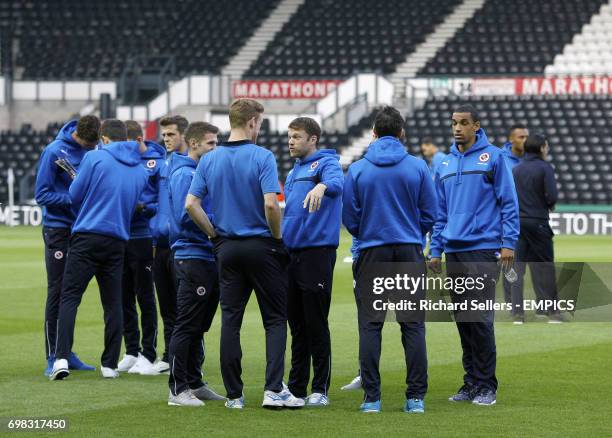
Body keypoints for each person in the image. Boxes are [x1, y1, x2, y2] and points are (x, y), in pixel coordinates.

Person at [186, 98, 303, 409]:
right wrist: (277, 239)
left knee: (231, 320)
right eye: (260, 123)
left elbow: (191, 204)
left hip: (227, 247)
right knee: (275, 319)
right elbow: (270, 204)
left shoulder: (209, 159)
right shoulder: (262, 156)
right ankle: (273, 389)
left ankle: (235, 396)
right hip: (262, 246)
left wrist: (214, 235)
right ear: (252, 122)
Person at [342, 106, 437, 414]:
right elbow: (430, 214)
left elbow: (350, 219)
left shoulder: (357, 169)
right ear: (401, 133)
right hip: (409, 251)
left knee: (371, 326)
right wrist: (412, 232)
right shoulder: (418, 166)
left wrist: (369, 232)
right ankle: (415, 398)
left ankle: (372, 398)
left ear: (373, 133)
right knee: (413, 326)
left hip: (372, 251)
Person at [429, 105, 519, 406]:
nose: (457, 128)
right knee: (464, 321)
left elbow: (509, 202)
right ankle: (470, 383)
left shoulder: (493, 157)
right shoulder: (443, 163)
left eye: (464, 123)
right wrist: (436, 249)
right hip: (453, 250)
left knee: (479, 319)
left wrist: (509, 243)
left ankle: (486, 386)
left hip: (482, 249)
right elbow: (439, 213)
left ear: (476, 126)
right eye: (454, 122)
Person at [49, 119, 148, 381]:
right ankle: (109, 365)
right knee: (113, 302)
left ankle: (60, 358)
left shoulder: (95, 159)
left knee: (70, 297)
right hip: (118, 240)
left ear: (104, 138)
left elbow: (74, 193)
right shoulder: (141, 170)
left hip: (87, 235)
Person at [283, 117, 343, 407]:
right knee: (296, 324)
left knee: (316, 322)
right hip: (291, 254)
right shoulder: (294, 170)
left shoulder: (326, 163)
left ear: (313, 139)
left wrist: (322, 187)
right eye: (290, 136)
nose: (291, 141)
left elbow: (336, 182)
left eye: (296, 136)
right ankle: (296, 386)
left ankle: (320, 388)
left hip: (316, 253)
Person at [35, 115, 100, 376]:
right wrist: (75, 198)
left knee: (72, 292)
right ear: (78, 137)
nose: (90, 150)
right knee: (57, 290)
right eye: (87, 146)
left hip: (81, 230)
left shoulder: (94, 149)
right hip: (58, 229)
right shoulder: (54, 151)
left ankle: (66, 351)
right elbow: (42, 194)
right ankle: (53, 354)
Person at [167, 121, 224, 406]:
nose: (216, 148)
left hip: (207, 255)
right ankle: (177, 389)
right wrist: (216, 231)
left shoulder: (201, 172)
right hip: (193, 255)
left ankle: (194, 381)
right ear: (193, 144)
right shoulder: (184, 174)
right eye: (211, 143)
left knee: (199, 325)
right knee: (187, 324)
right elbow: (186, 215)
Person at [116, 121, 165, 374]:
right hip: (120, 233)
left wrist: (145, 208)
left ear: (136, 140)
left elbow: (163, 199)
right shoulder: (124, 161)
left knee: (145, 295)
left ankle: (148, 352)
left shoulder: (158, 161)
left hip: (144, 235)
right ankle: (131, 350)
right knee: (123, 295)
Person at [149, 115, 189, 374]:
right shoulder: (162, 165)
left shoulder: (194, 165)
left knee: (185, 307)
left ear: (185, 136)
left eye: (171, 134)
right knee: (166, 305)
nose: (166, 139)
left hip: (183, 244)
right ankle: (168, 355)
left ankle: (189, 361)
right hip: (160, 244)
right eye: (164, 135)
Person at [511, 134, 561, 324]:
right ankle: (551, 312)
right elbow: (552, 196)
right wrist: (548, 204)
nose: (547, 150)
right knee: (545, 266)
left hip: (518, 223)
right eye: (546, 146)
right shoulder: (545, 167)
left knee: (518, 268)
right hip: (538, 221)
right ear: (541, 148)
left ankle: (518, 314)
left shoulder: (516, 169)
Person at [501, 124, 529, 308]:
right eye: (521, 137)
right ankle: (511, 302)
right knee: (508, 264)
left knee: (520, 266)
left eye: (527, 136)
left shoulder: (530, 160)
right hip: (504, 221)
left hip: (525, 220)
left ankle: (514, 302)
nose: (525, 140)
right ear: (511, 139)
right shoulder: (501, 160)